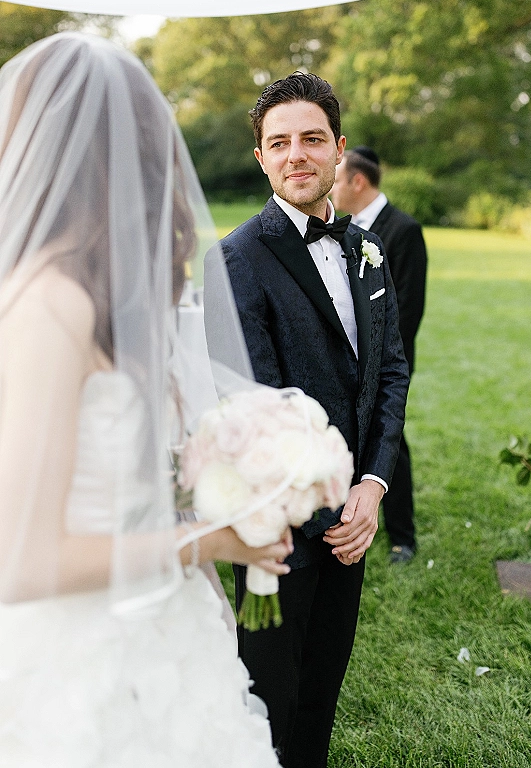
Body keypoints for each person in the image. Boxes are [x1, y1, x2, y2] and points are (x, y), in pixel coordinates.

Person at [0, 32, 293, 766]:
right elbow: (22, 562)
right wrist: (213, 540)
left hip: (163, 628)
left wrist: (230, 497)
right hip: (74, 660)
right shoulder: (48, 302)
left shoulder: (116, 291)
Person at [204, 74, 409, 768]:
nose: (297, 154)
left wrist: (374, 487)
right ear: (261, 157)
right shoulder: (236, 259)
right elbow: (252, 405)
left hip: (355, 515)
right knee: (269, 705)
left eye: (312, 139)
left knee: (323, 692)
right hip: (276, 528)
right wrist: (330, 514)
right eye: (279, 142)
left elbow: (389, 373)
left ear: (339, 151)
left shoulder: (367, 249)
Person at [332, 146, 427, 563]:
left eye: (337, 179)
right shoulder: (338, 228)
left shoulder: (403, 230)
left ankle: (403, 536)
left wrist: (377, 364)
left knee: (391, 440)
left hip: (386, 361)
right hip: (343, 359)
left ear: (358, 181)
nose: (331, 187)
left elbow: (407, 309)